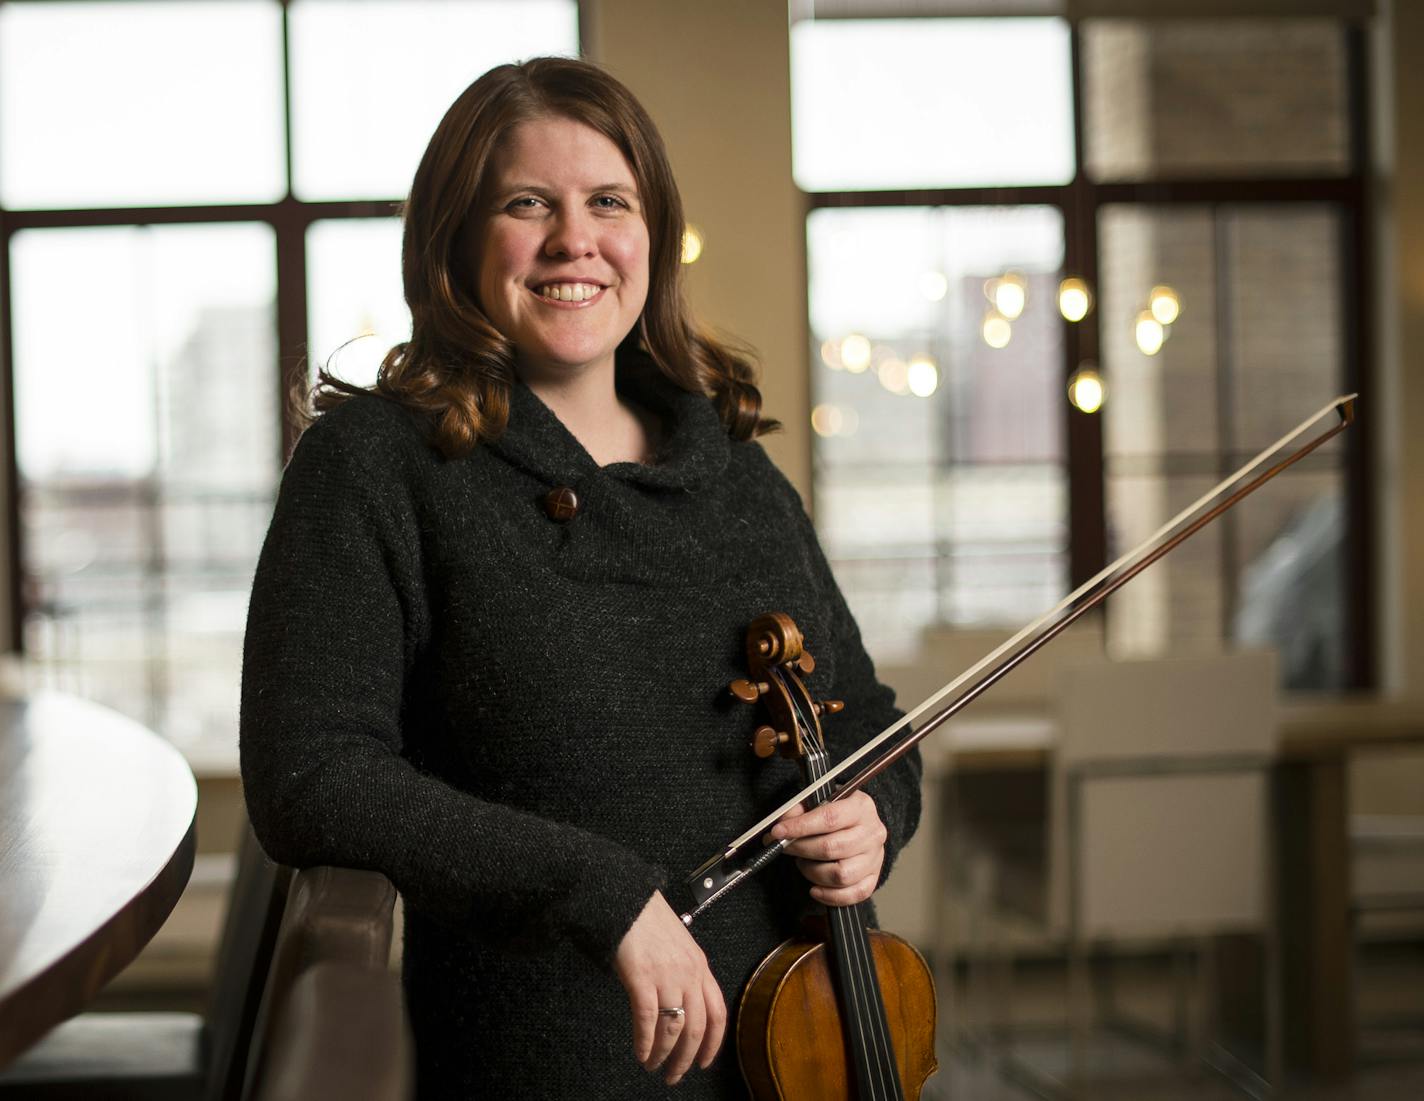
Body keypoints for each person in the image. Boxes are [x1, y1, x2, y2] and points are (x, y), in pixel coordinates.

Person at [240, 56, 922, 1100]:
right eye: (526, 204)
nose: (575, 241)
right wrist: (596, 891)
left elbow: (867, 718)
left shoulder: (733, 470)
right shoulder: (376, 465)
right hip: (546, 1053)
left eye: (609, 202)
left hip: (802, 1044)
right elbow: (311, 776)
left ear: (651, 234)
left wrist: (874, 812)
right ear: (455, 238)